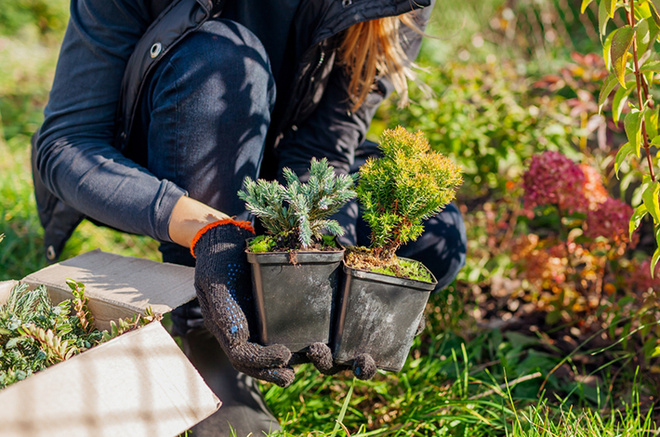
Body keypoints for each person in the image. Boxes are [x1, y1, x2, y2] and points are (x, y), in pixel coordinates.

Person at [32, 0, 466, 434]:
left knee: (434, 242)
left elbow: (327, 147)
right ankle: (210, 335)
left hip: (279, 160)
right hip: (173, 145)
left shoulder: (387, 5)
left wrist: (333, 258)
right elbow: (67, 141)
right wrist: (211, 233)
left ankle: (264, 301)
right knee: (222, 55)